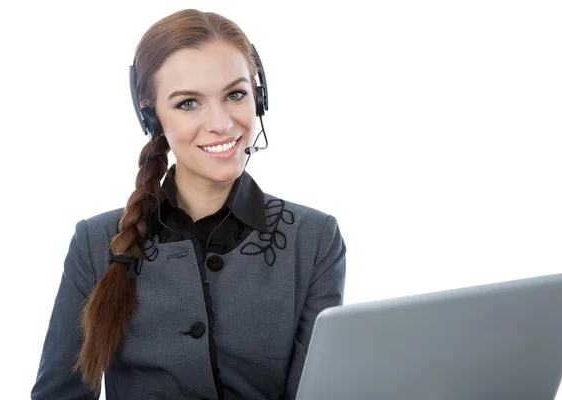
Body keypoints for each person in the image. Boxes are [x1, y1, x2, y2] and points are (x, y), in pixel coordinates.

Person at [31, 8, 346, 400]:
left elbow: (316, 393)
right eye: (188, 104)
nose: (221, 123)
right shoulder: (96, 243)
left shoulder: (314, 239)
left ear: (259, 96)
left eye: (235, 94)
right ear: (151, 115)